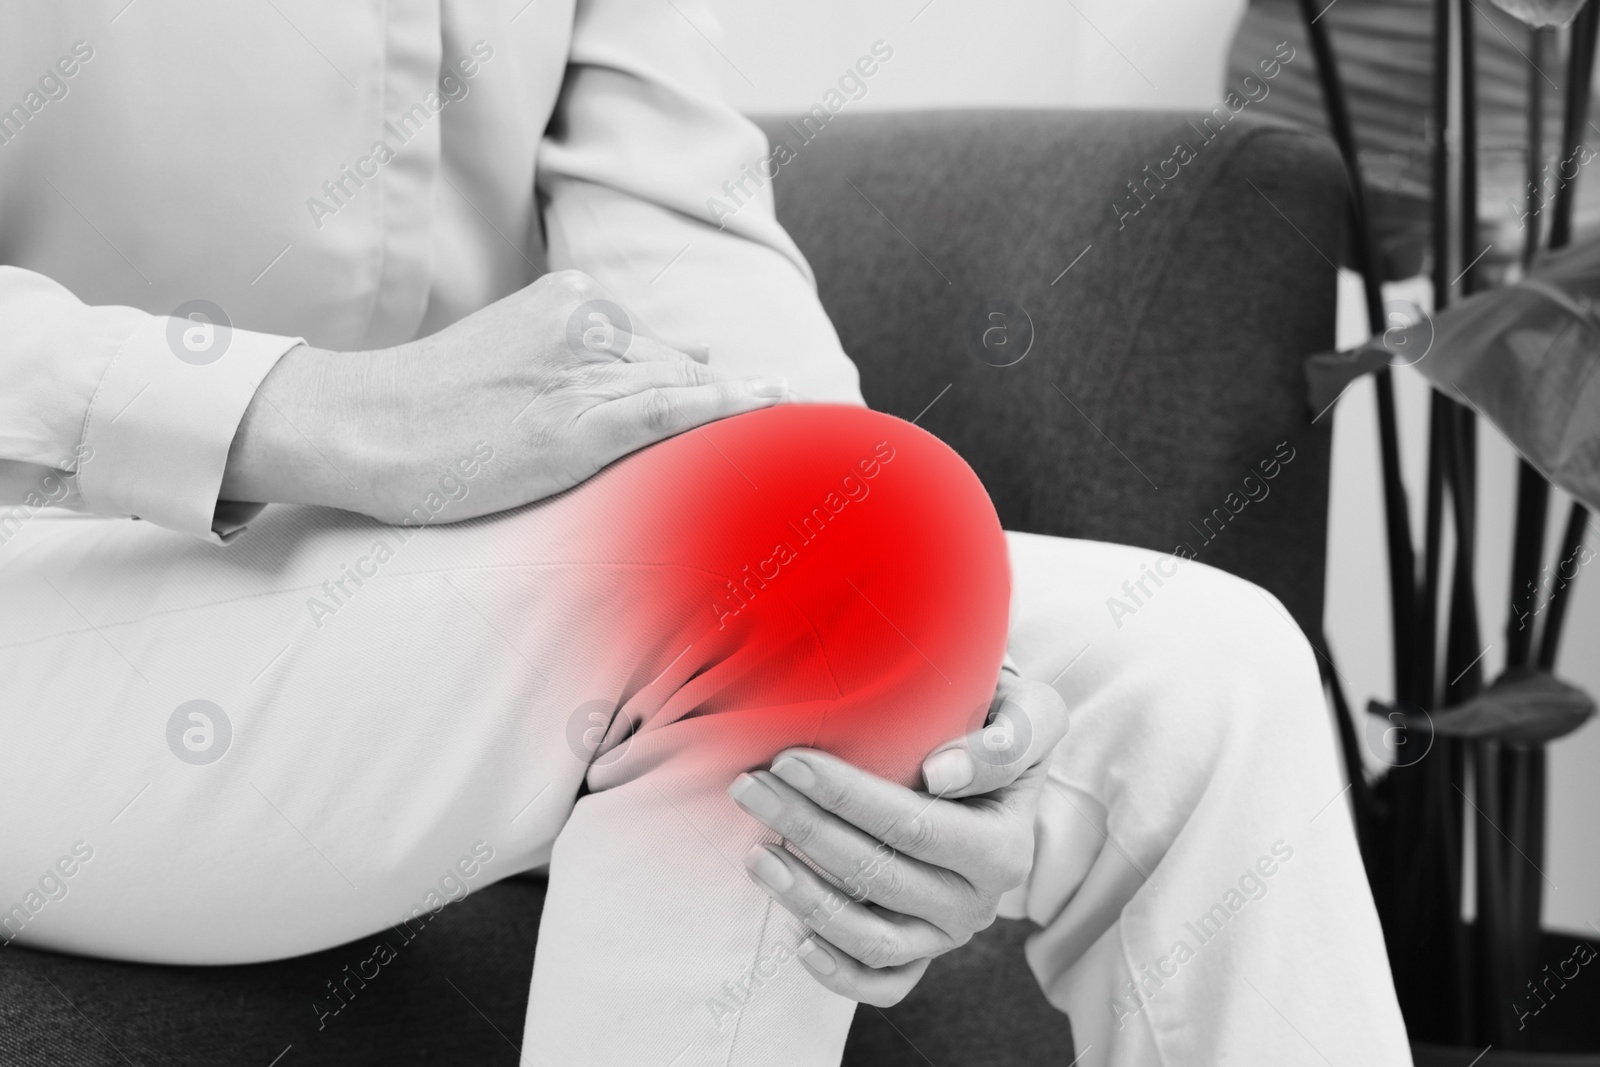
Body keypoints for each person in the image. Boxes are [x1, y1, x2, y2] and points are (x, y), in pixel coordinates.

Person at [0, 2, 1413, 1064]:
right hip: (45, 569)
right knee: (792, 600)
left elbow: (681, 233)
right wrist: (297, 411)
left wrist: (925, 653)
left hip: (436, 573)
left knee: (1206, 677)